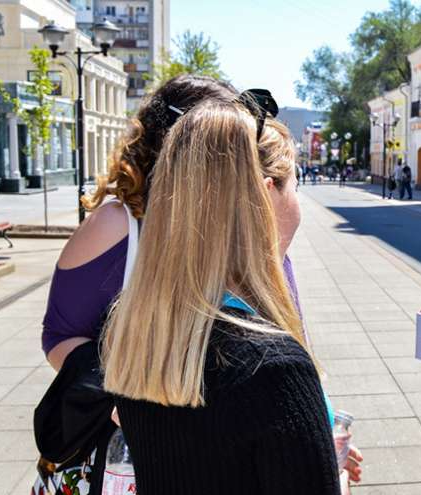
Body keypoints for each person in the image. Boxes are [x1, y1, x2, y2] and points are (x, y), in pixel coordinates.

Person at [101, 101, 340, 494]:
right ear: (265, 201)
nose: (298, 205)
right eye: (295, 186)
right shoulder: (273, 369)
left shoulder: (139, 334)